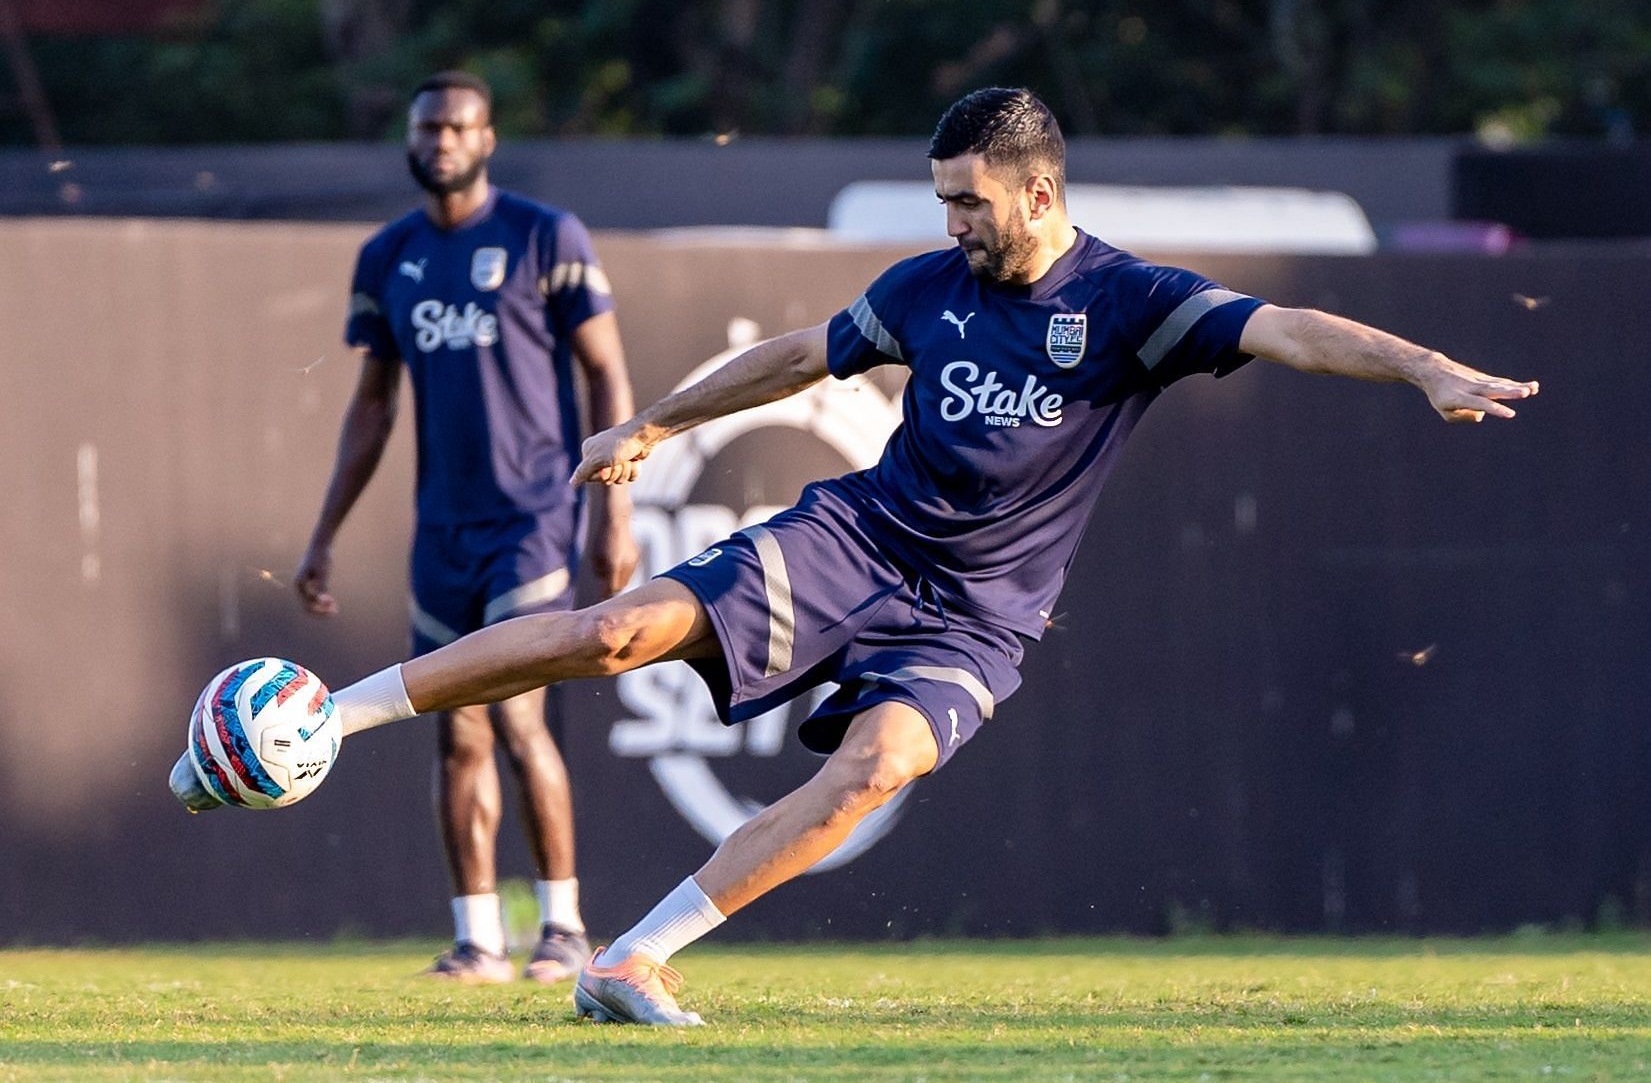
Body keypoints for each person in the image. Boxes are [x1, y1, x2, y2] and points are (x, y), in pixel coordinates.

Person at [178, 87, 1536, 1023]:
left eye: (968, 202)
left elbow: (1286, 325)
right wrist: (652, 421)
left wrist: (1418, 367)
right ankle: (322, 721)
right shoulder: (925, 288)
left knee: (874, 769)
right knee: (609, 633)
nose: (949, 221)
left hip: (978, 620)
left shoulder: (1131, 304)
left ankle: (628, 961)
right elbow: (791, 355)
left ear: (1037, 191)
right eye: (942, 197)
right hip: (858, 537)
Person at [297, 71, 638, 985]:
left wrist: (614, 507)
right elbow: (372, 406)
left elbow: (606, 376)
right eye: (426, 127)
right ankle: (478, 938)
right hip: (439, 530)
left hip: (530, 517)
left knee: (519, 714)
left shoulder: (543, 236)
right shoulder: (388, 257)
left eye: (457, 126)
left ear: (487, 138)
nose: (440, 140)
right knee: (455, 730)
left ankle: (563, 926)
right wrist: (324, 533)